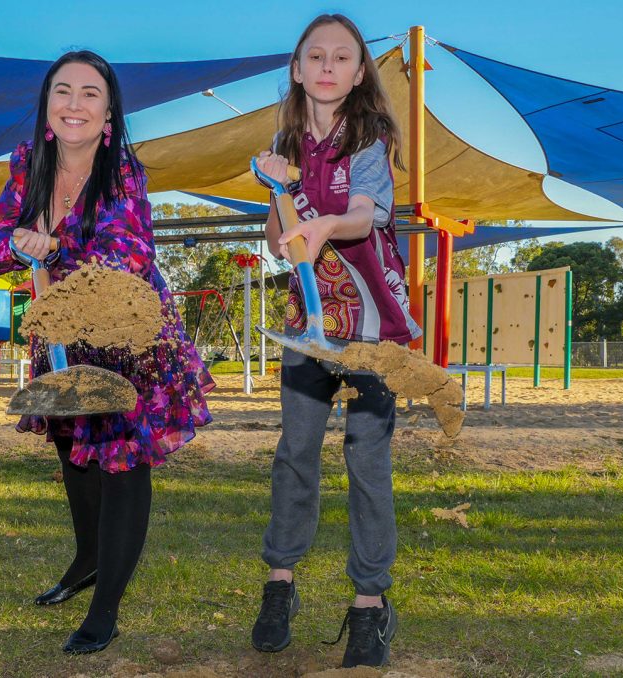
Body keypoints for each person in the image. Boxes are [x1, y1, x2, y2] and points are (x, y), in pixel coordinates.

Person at [0, 50, 214, 655]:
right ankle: (86, 559)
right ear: (46, 107)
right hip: (60, 331)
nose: (74, 103)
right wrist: (19, 240)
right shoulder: (28, 166)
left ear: (109, 112)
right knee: (73, 450)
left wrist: (49, 249)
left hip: (128, 336)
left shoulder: (123, 170)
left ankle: (105, 608)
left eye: (90, 93)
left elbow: (126, 248)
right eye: (63, 91)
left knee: (121, 459)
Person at [248, 14, 419, 668]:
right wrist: (281, 199)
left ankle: (370, 604)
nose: (326, 66)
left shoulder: (369, 137)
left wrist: (323, 227)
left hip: (376, 327)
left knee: (366, 462)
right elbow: (274, 238)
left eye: (341, 57)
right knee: (295, 451)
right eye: (314, 56)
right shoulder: (284, 145)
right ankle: (279, 584)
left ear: (357, 72)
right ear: (297, 70)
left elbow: (365, 213)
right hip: (309, 324)